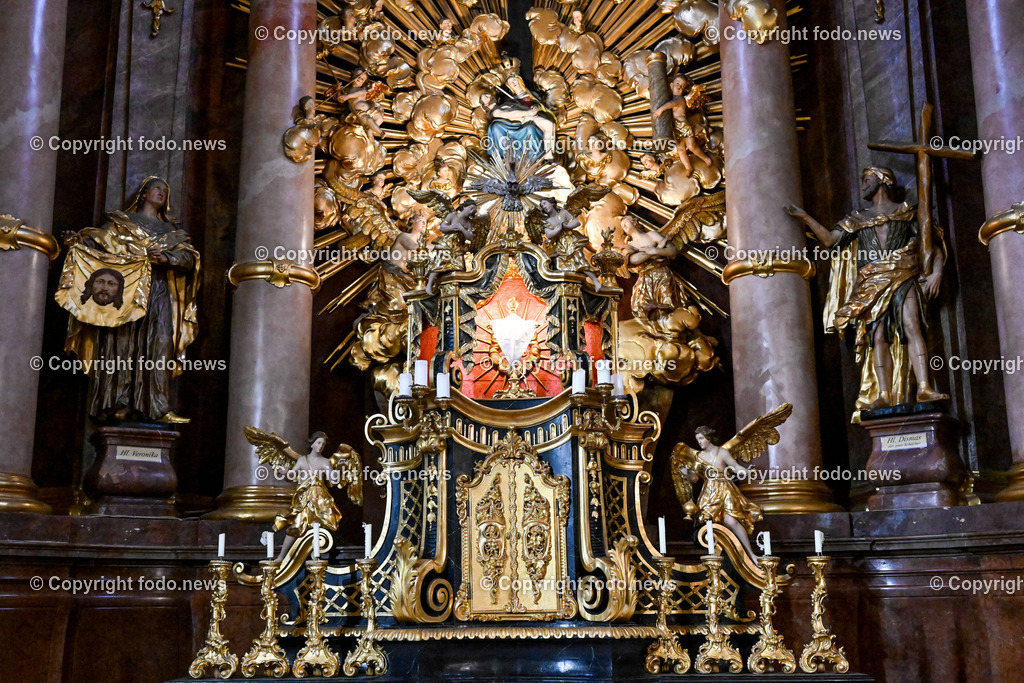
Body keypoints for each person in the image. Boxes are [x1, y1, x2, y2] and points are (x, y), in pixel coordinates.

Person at [786, 167, 947, 410]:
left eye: (867, 180)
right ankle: (883, 393)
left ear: (883, 181)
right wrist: (805, 218)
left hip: (902, 276)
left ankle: (924, 387)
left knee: (913, 326)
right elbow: (829, 240)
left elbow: (931, 248)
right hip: (871, 283)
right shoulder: (857, 219)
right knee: (878, 336)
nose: (863, 186)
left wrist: (937, 272)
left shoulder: (907, 213)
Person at [62, 176, 200, 423]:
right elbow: (97, 246)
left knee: (159, 344)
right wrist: (78, 243)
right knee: (122, 343)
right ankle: (119, 402)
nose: (161, 194)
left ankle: (157, 407)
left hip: (157, 292)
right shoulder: (121, 223)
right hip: (125, 290)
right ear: (144, 194)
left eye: (165, 191)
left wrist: (168, 259)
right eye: (156, 189)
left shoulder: (172, 232)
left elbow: (189, 260)